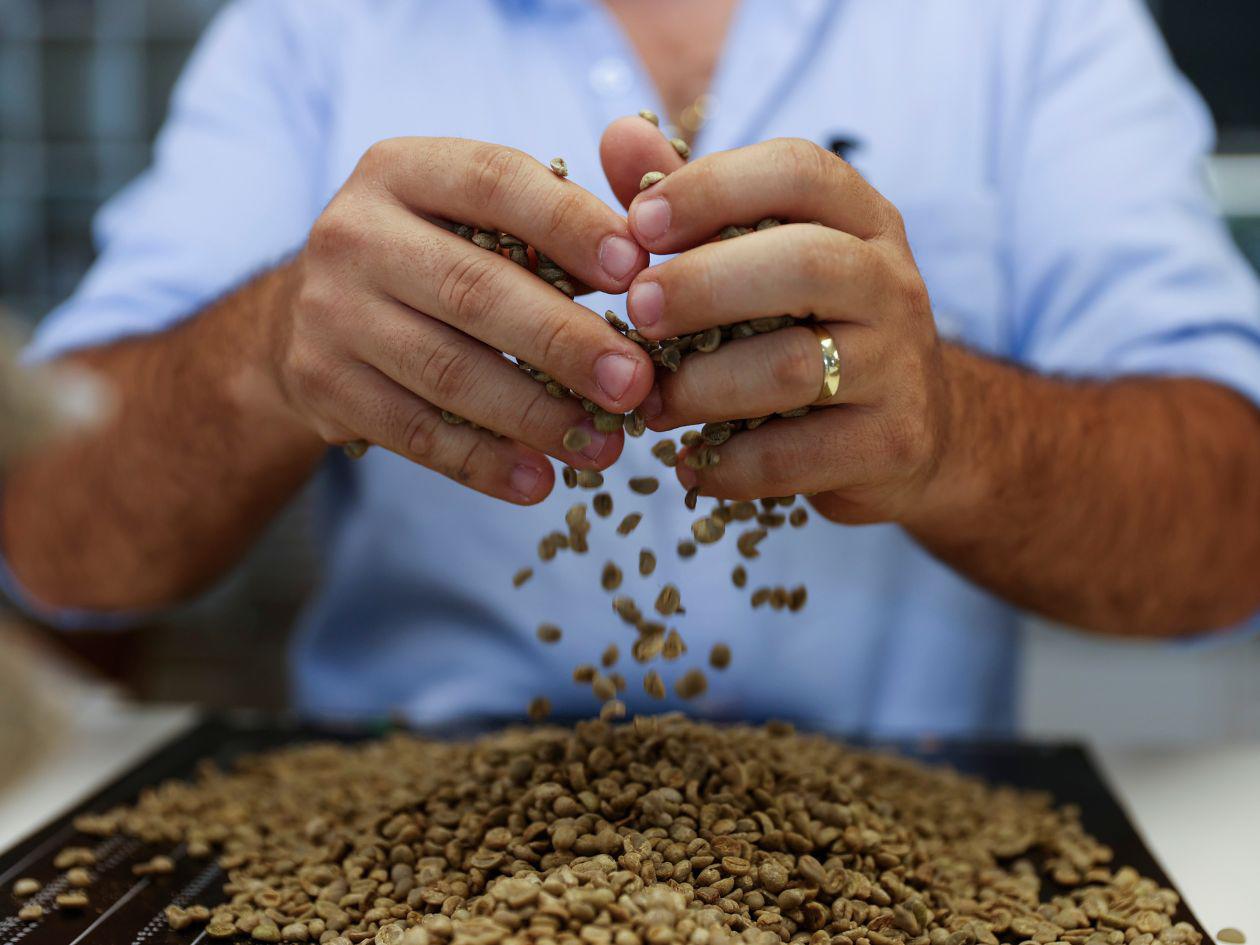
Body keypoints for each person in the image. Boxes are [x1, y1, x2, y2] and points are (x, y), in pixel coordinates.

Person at [4, 0, 1260, 735]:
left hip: (898, 843)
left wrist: (955, 427)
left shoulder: (1034, 25)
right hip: (412, 841)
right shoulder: (315, 26)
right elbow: (53, 537)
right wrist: (271, 350)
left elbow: (1230, 538)